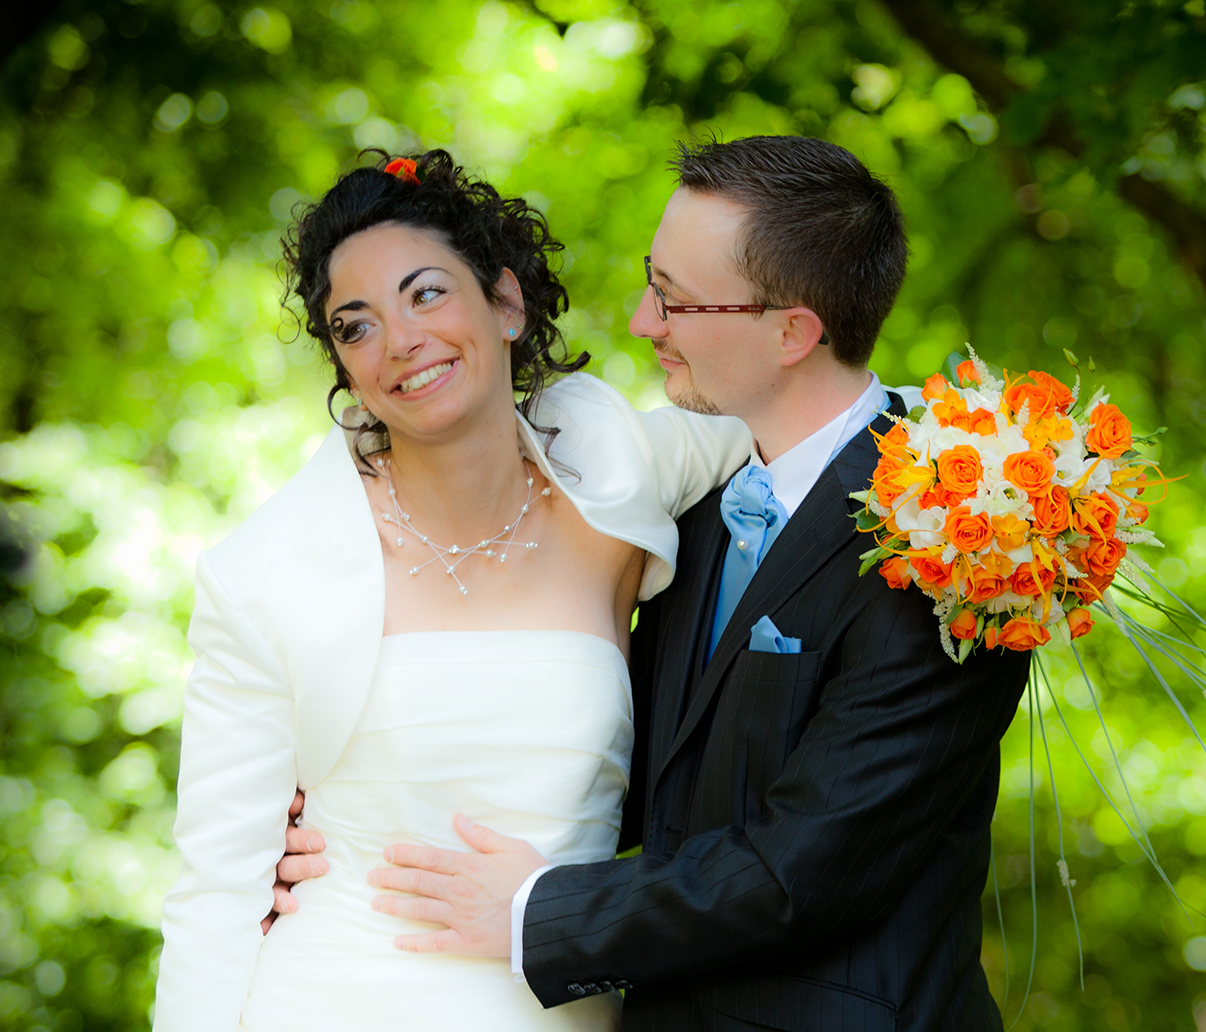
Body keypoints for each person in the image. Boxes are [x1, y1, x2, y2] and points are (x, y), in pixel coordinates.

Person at [278, 137, 1033, 1031]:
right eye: (651, 283)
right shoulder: (696, 511)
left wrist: (532, 912)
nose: (643, 322)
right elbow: (620, 766)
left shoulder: (960, 542)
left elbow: (806, 868)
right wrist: (356, 811)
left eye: (673, 299)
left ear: (791, 332)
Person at [150, 151, 750, 1031]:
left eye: (425, 293)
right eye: (355, 326)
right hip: (331, 998)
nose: (399, 340)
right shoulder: (268, 573)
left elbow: (798, 415)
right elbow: (214, 892)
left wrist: (982, 481)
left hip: (561, 1004)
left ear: (505, 303)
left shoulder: (615, 469)